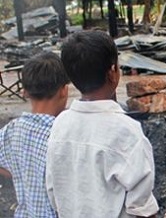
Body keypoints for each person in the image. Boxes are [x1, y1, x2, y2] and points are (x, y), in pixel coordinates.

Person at [46, 30, 159, 218]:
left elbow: (53, 191)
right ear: (113, 72)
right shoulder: (126, 131)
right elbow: (142, 209)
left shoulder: (60, 125)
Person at [0, 52, 69, 217]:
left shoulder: (11, 130)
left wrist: (21, 171)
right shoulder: (65, 134)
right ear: (63, 90)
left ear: (25, 92)